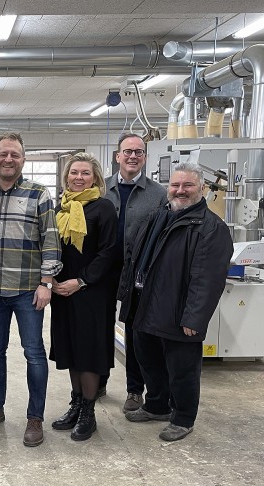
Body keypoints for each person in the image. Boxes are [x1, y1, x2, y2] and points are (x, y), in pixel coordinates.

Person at [118, 163, 233, 442]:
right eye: (175, 185)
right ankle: (157, 406)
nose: (180, 191)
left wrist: (195, 318)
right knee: (149, 361)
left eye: (188, 186)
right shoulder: (158, 216)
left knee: (182, 369)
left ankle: (183, 418)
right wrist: (126, 296)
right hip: (145, 305)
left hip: (178, 310)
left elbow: (207, 280)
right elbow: (135, 258)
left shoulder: (210, 228)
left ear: (202, 189)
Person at [0, 132, 62, 447]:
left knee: (34, 353)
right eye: (3, 154)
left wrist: (46, 282)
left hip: (28, 291)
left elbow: (50, 239)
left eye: (14, 154)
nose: (8, 159)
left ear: (23, 159)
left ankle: (34, 417)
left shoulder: (39, 194)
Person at [49, 153, 118, 441]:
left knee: (88, 352)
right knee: (72, 350)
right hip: (62, 292)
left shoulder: (103, 208)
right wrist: (50, 278)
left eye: (85, 173)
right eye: (74, 173)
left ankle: (88, 413)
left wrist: (81, 281)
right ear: (66, 178)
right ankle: (76, 405)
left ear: (95, 178)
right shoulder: (60, 209)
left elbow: (110, 252)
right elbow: (51, 246)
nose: (78, 177)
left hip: (91, 292)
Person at [103, 132, 167, 412]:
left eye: (138, 152)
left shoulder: (158, 194)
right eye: (127, 151)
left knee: (135, 333)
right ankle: (98, 380)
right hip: (102, 272)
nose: (132, 156)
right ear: (117, 156)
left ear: (145, 157)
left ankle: (134, 390)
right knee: (99, 328)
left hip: (139, 274)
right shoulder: (100, 188)